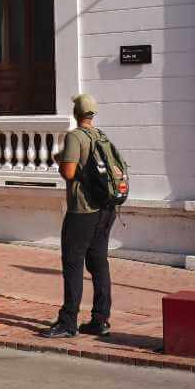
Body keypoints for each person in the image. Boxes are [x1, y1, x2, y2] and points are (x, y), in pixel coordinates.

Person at [43, 94, 116, 339]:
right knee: (99, 263)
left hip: (82, 210)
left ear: (76, 113)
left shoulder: (75, 136)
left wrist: (61, 162)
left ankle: (68, 322)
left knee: (73, 263)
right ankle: (101, 319)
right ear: (93, 114)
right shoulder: (100, 136)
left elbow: (69, 172)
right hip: (106, 209)